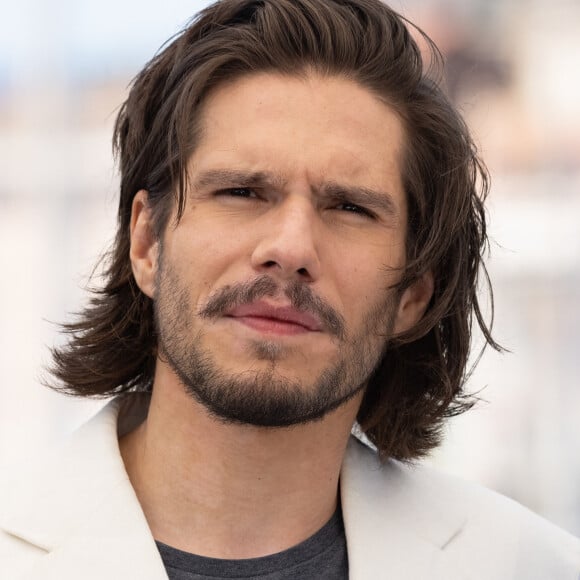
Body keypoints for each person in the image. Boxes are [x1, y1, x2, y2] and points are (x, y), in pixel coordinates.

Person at [1, 0, 578, 578]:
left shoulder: (534, 565)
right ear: (148, 243)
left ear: (414, 294)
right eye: (242, 192)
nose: (291, 247)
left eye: (350, 207)